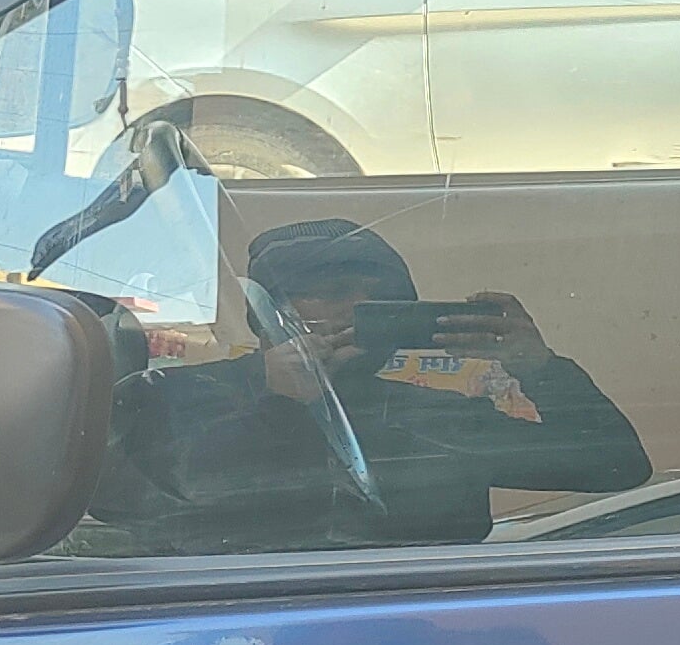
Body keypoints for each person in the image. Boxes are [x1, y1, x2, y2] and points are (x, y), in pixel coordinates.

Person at [90, 217, 649, 549]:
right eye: (330, 292)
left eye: (376, 297)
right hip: (230, 639)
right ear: (271, 311)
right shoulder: (180, 396)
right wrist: (278, 405)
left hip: (424, 644)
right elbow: (124, 504)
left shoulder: (436, 416)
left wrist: (541, 369)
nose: (355, 307)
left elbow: (617, 467)